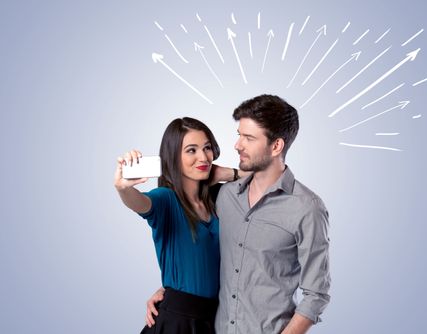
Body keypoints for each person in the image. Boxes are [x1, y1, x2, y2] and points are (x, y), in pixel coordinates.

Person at [146, 95, 331, 333]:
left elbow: (316, 295)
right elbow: (200, 251)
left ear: (276, 146)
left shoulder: (307, 207)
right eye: (239, 135)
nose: (237, 145)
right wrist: (172, 296)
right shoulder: (225, 197)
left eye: (249, 138)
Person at [114, 117, 240, 334]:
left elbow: (266, 179)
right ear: (174, 157)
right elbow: (140, 203)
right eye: (191, 150)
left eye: (207, 148)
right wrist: (123, 188)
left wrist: (229, 173)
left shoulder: (217, 198)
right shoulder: (166, 200)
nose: (203, 157)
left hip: (213, 319)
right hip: (176, 323)